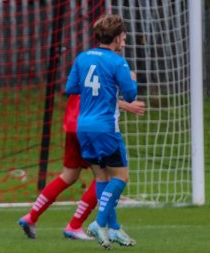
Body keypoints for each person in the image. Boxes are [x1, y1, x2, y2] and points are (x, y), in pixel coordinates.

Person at [19, 54, 145, 241]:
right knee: (106, 176)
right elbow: (100, 95)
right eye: (122, 37)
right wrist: (127, 104)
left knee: (68, 175)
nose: (123, 42)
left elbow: (80, 90)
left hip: (73, 124)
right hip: (92, 126)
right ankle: (77, 225)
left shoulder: (84, 61)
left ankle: (31, 216)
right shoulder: (108, 62)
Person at [64, 13, 138, 249]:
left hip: (83, 126)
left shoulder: (83, 57)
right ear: (116, 38)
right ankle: (100, 222)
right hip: (106, 127)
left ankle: (114, 229)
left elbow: (71, 87)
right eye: (123, 36)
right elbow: (131, 95)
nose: (124, 40)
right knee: (121, 177)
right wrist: (131, 79)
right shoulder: (118, 62)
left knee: (102, 177)